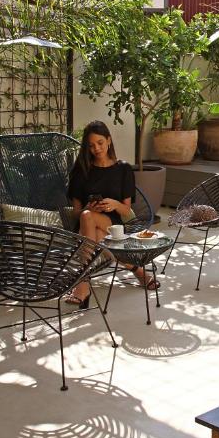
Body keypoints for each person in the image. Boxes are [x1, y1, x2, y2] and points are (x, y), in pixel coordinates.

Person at [64, 121, 153, 306]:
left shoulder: (123, 169)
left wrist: (113, 204)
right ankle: (137, 270)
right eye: (91, 145)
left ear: (109, 141)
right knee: (88, 218)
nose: (96, 148)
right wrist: (89, 206)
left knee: (96, 232)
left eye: (100, 143)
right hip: (86, 224)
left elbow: (127, 209)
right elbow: (76, 213)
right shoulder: (81, 171)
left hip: (113, 224)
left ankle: (82, 284)